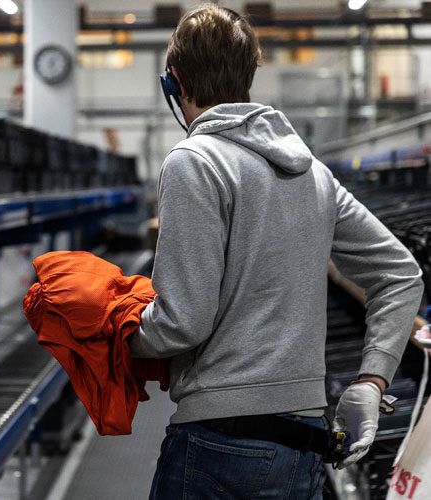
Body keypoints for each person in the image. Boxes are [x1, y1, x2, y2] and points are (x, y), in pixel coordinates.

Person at [129, 4, 424, 499]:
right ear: (250, 74)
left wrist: (118, 337)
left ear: (174, 83)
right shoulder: (314, 174)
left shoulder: (193, 161)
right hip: (304, 446)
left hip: (221, 443)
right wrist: (372, 379)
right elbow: (400, 274)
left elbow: (183, 321)